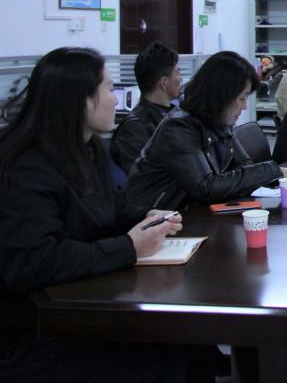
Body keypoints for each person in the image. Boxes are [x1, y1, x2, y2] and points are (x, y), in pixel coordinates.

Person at [0, 47, 196, 382]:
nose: (116, 99)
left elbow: (111, 209)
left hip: (79, 302)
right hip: (36, 330)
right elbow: (33, 262)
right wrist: (129, 247)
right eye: (108, 89)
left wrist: (148, 218)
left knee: (188, 344)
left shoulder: (88, 149)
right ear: (81, 101)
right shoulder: (26, 167)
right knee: (168, 355)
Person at [125, 51, 287, 211]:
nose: (244, 107)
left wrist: (271, 175)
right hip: (155, 221)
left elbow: (245, 166)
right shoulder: (178, 128)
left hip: (193, 215)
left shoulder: (219, 122)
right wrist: (271, 171)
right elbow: (205, 187)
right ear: (221, 96)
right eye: (241, 98)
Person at [110, 41, 181, 177]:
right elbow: (143, 179)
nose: (181, 79)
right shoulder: (134, 129)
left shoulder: (176, 115)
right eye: (178, 73)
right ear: (164, 82)